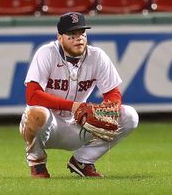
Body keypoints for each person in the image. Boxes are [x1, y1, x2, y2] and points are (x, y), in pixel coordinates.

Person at [19, 12, 139, 178]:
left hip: (79, 125)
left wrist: (108, 107)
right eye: (72, 34)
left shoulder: (97, 56)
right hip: (49, 126)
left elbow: (113, 93)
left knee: (130, 116)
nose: (79, 38)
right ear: (60, 37)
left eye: (82, 33)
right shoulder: (46, 53)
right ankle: (37, 162)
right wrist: (73, 106)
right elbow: (32, 96)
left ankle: (82, 161)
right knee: (36, 113)